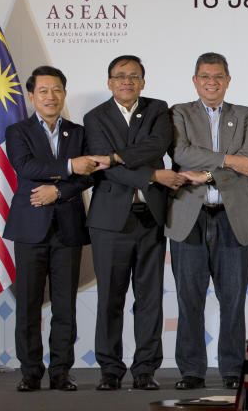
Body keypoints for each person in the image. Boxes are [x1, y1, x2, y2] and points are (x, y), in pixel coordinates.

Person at [84, 55, 184, 391]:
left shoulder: (158, 109)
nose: (127, 81)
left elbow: (156, 145)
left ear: (143, 81)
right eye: (120, 76)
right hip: (110, 221)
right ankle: (110, 369)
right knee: (110, 297)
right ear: (109, 82)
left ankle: (145, 369)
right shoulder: (94, 117)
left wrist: (116, 154)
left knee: (150, 297)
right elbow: (103, 167)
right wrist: (153, 173)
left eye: (134, 76)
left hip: (149, 217)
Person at [166, 52, 248, 390]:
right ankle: (191, 370)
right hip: (189, 217)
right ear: (195, 80)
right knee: (188, 299)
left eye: (218, 76)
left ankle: (233, 369)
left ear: (228, 80)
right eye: (205, 76)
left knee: (233, 299)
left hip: (233, 216)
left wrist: (207, 171)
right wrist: (228, 161)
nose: (212, 81)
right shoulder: (179, 112)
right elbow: (181, 154)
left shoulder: (246, 114)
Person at [6, 66, 108, 391]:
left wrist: (59, 190)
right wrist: (68, 166)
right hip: (29, 228)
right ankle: (30, 372)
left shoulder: (78, 133)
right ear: (32, 95)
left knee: (65, 304)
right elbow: (25, 167)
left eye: (56, 90)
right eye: (43, 91)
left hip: (68, 226)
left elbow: (89, 174)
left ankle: (61, 372)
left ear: (64, 93)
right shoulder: (17, 131)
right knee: (28, 304)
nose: (50, 97)